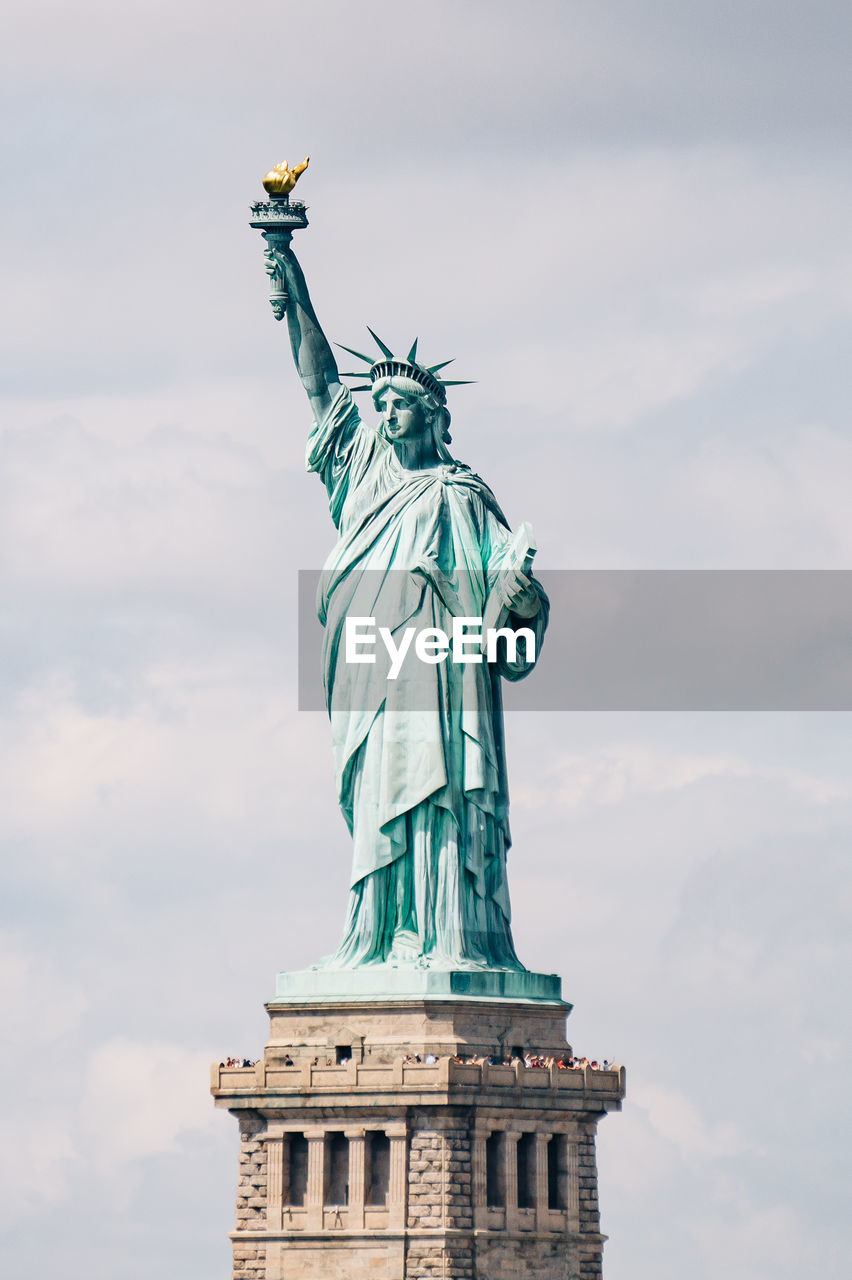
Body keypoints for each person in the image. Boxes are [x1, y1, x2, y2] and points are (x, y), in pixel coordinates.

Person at [270, 241, 548, 971]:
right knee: (377, 796)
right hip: (370, 671)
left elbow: (506, 606)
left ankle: (449, 934)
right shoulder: (360, 471)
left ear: (431, 416)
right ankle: (376, 934)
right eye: (381, 404)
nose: (386, 414)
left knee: (440, 792)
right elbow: (320, 381)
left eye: (400, 405)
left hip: (441, 677)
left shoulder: (462, 495)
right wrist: (289, 275)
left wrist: (520, 593)